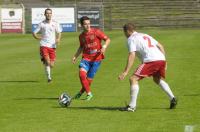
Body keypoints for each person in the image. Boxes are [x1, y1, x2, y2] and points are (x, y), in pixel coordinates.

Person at [118, 23, 177, 112]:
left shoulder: (131, 39)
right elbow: (161, 46)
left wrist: (125, 71)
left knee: (133, 79)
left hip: (151, 60)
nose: (125, 35)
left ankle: (132, 106)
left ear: (127, 31)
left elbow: (132, 54)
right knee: (157, 79)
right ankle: (172, 98)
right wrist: (165, 61)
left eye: (124, 32)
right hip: (161, 59)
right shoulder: (145, 35)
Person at [72, 16, 110, 100]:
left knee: (88, 80)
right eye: (85, 24)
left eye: (89, 24)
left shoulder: (96, 32)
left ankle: (81, 92)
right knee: (82, 75)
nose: (88, 26)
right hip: (86, 58)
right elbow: (81, 47)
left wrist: (104, 46)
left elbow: (107, 39)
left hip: (96, 59)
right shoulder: (81, 36)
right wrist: (75, 56)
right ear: (81, 25)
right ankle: (89, 94)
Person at [32, 8, 62, 83]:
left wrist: (58, 39)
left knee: (51, 65)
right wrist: (38, 37)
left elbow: (59, 32)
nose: (49, 14)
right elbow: (34, 32)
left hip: (52, 46)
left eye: (50, 13)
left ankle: (45, 62)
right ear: (45, 14)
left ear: (51, 14)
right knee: (48, 62)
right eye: (47, 13)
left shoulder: (55, 23)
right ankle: (49, 78)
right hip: (44, 45)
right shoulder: (41, 24)